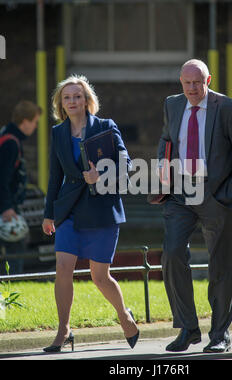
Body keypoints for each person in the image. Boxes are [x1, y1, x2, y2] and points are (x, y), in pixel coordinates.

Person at [156, 59, 232, 353]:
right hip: (180, 193)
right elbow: (166, 139)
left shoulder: (227, 107)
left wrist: (229, 191)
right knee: (172, 253)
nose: (192, 89)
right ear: (180, 82)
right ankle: (187, 328)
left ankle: (220, 334)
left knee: (221, 265)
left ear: (208, 80)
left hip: (216, 194)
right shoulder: (172, 104)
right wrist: (164, 170)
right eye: (187, 83)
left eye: (197, 83)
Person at [42, 75, 139, 352]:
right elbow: (54, 175)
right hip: (69, 209)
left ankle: (123, 315)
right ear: (61, 103)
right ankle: (63, 330)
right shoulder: (58, 132)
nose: (72, 101)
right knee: (63, 268)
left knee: (99, 276)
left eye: (77, 96)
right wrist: (49, 213)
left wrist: (102, 174)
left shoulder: (106, 126)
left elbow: (126, 161)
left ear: (87, 101)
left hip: (101, 209)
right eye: (67, 97)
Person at [0, 100, 41, 274]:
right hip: (6, 208)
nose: (35, 126)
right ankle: (14, 287)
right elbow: (2, 178)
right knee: (15, 250)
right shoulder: (11, 143)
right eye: (35, 122)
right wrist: (7, 207)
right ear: (25, 121)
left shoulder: (6, 135)